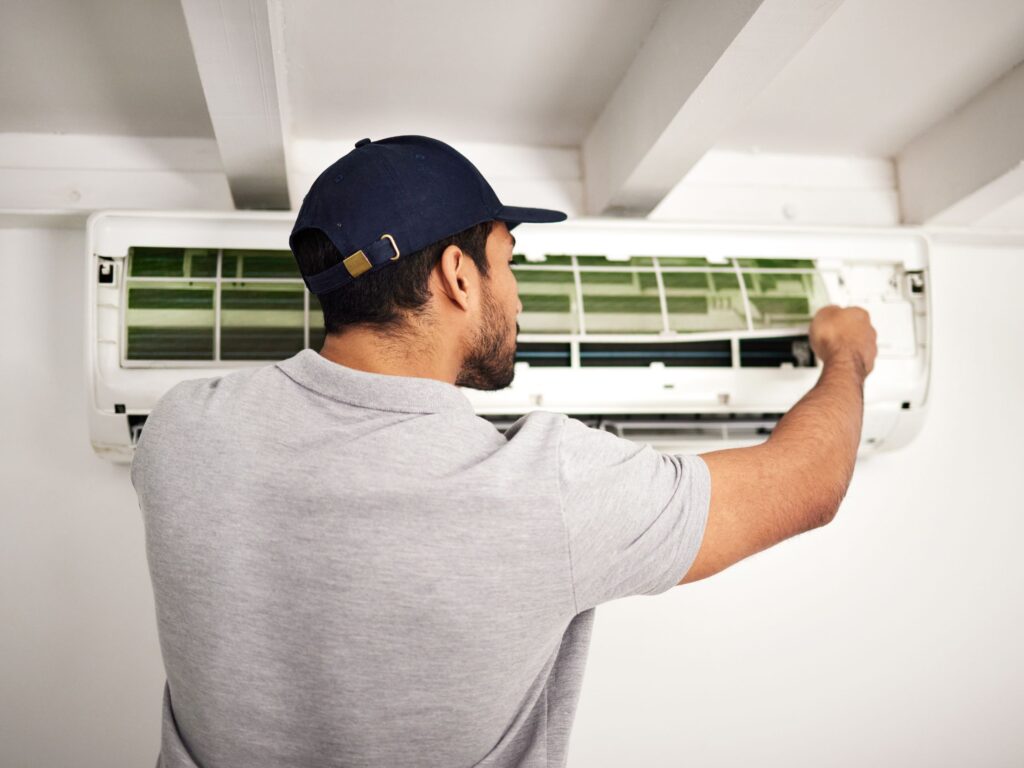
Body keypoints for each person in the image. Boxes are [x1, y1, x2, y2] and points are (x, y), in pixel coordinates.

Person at [131, 135, 877, 768]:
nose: (516, 295)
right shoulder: (543, 487)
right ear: (458, 276)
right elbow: (811, 481)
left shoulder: (181, 431)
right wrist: (845, 355)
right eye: (507, 261)